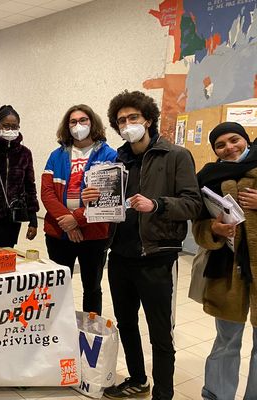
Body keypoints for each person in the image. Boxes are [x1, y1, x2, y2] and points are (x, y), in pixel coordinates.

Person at [82, 90, 202, 400]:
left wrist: (157, 205)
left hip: (156, 256)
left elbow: (193, 204)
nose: (127, 124)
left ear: (148, 119)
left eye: (133, 117)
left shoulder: (175, 155)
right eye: (121, 120)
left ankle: (164, 392)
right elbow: (108, 205)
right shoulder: (115, 159)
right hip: (120, 255)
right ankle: (138, 379)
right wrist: (91, 201)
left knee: (160, 332)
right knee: (126, 322)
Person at [192, 122, 257, 400]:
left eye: (235, 140)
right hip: (227, 272)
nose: (229, 147)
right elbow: (198, 226)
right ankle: (217, 396)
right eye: (220, 145)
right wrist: (213, 230)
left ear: (247, 140)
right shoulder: (207, 177)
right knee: (226, 341)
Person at [41, 104, 116, 314]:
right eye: (73, 122)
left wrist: (77, 219)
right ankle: (58, 329)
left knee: (91, 288)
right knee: (57, 287)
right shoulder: (56, 156)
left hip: (94, 235)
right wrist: (67, 222)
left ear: (92, 123)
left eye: (83, 120)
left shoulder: (109, 155)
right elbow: (47, 193)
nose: (78, 125)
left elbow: (108, 197)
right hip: (59, 232)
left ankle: (90, 332)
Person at [0, 105, 39, 247]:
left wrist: (33, 220)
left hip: (14, 217)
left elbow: (30, 186)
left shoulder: (25, 154)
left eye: (14, 126)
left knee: (8, 256)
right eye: (6, 126)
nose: (10, 130)